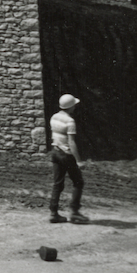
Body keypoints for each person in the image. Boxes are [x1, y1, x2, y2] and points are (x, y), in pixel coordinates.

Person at [48, 94, 88, 225]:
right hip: (66, 155)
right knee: (78, 182)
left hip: (55, 152)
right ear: (71, 107)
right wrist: (78, 161)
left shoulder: (54, 117)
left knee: (57, 184)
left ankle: (53, 213)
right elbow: (71, 143)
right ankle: (74, 212)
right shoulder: (70, 121)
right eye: (74, 105)